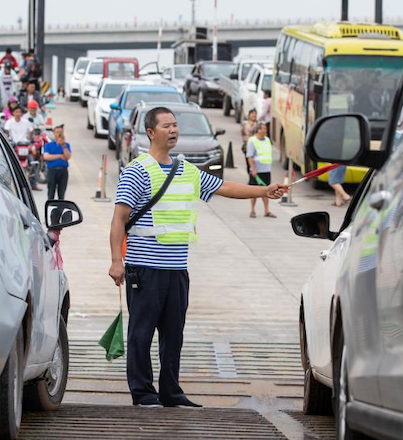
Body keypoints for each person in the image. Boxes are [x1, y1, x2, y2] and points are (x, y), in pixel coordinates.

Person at [108, 107, 288, 408]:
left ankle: (171, 392)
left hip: (177, 269)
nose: (173, 130)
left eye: (176, 125)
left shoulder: (186, 170)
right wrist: (116, 260)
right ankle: (143, 393)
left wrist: (264, 189)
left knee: (173, 335)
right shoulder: (136, 171)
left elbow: (225, 186)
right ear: (151, 132)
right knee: (141, 332)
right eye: (166, 126)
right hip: (145, 268)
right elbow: (118, 219)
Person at [246, 122, 275, 218]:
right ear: (258, 130)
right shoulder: (252, 141)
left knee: (267, 191)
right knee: (254, 191)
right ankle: (252, 210)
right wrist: (253, 169)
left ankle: (266, 211)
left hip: (266, 170)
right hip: (256, 171)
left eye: (265, 129)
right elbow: (249, 156)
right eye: (263, 128)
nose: (265, 130)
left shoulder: (267, 140)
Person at [42, 125, 71, 200]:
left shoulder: (66, 145)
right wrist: (60, 156)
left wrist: (63, 146)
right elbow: (46, 157)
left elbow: (67, 156)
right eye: (57, 132)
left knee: (61, 194)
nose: (59, 134)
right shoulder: (48, 145)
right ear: (54, 133)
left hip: (63, 171)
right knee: (51, 193)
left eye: (60, 132)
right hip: (52, 171)